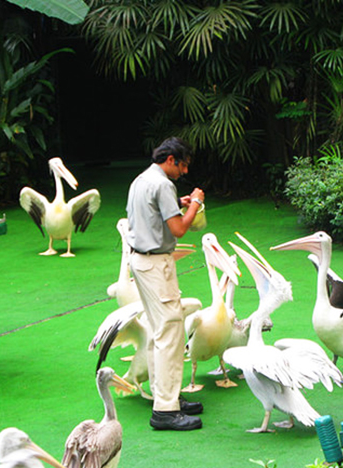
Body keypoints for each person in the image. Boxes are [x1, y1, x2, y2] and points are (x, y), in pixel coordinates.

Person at [125, 136, 205, 431]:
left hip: (139, 260)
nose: (184, 172)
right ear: (171, 160)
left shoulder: (141, 180)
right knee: (171, 332)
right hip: (157, 265)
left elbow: (152, 215)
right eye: (182, 166)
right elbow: (179, 229)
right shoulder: (162, 184)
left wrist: (179, 203)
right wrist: (195, 204)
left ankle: (167, 396)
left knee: (159, 331)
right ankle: (165, 410)